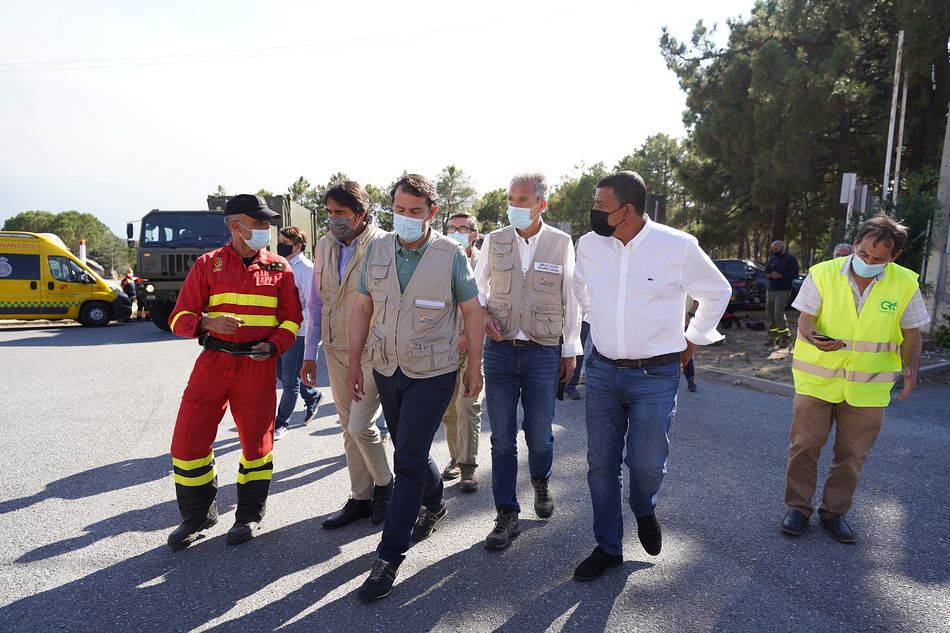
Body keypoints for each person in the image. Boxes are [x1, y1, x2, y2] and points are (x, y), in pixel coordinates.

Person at [572, 171, 730, 580]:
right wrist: (599, 319)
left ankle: (644, 508)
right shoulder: (589, 245)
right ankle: (608, 547)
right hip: (603, 370)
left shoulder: (677, 246)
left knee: (645, 465)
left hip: (657, 374)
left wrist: (693, 337)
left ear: (627, 210)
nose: (593, 211)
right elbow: (580, 290)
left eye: (600, 206)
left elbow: (718, 291)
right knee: (600, 465)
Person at [346, 174, 483, 602]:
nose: (406, 219)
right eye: (399, 210)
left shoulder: (450, 254)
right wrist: (355, 362)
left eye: (416, 212)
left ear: (432, 213)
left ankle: (388, 558)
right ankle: (436, 502)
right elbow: (364, 305)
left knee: (405, 460)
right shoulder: (378, 248)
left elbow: (473, 311)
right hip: (387, 367)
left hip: (434, 372)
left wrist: (475, 365)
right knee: (412, 448)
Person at [781, 212, 928, 544]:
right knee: (804, 446)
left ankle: (834, 513)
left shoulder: (905, 283)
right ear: (856, 243)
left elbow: (912, 333)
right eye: (864, 253)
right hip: (817, 380)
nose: (869, 261)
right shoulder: (823, 273)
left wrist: (912, 367)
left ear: (894, 257)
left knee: (852, 455)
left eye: (878, 258)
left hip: (868, 389)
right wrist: (813, 336)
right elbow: (805, 319)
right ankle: (797, 509)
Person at [165, 194, 302, 549]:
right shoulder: (207, 264)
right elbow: (178, 319)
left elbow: (291, 319)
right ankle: (197, 517)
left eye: (266, 223)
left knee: (257, 446)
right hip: (213, 363)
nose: (264, 229)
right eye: (257, 223)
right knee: (187, 442)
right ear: (234, 225)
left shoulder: (279, 268)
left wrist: (273, 345)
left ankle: (248, 515)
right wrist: (207, 321)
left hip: (257, 367)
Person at [474, 172, 582, 552]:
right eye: (511, 199)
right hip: (500, 348)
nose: (515, 206)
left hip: (542, 350)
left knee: (539, 434)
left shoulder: (560, 242)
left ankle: (541, 479)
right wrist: (483, 314)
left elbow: (572, 297)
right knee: (502, 439)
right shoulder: (495, 240)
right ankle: (506, 514)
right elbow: (477, 286)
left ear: (541, 204)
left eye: (522, 200)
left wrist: (570, 347)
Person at [300, 181, 394, 529]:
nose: (333, 219)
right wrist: (310, 352)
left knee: (361, 424)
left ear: (361, 215)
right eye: (328, 212)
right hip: (335, 348)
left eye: (340, 213)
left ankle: (386, 485)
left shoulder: (384, 245)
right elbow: (316, 303)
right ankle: (361, 497)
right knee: (346, 427)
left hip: (373, 350)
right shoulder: (324, 245)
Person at [441, 212, 484, 493]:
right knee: (448, 410)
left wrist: (467, 338)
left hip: (473, 346)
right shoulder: (439, 259)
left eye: (463, 228)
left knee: (467, 405)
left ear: (474, 234)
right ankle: (456, 458)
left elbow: (483, 305)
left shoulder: (485, 262)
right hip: (442, 347)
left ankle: (468, 467)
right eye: (451, 228)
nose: (457, 232)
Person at [273, 226, 321, 440]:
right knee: (280, 373)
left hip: (299, 332)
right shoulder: (279, 264)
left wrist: (297, 327)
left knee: (290, 382)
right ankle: (312, 395)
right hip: (279, 330)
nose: (280, 245)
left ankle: (281, 423)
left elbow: (312, 306)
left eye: (285, 241)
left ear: (298, 245)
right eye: (280, 240)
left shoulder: (306, 269)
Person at [763, 240, 800, 348]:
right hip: (771, 289)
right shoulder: (773, 259)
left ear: (782, 248)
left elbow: (794, 274)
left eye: (776, 250)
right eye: (773, 250)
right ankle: (772, 337)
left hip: (783, 290)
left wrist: (780, 275)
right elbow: (766, 271)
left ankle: (784, 338)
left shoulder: (790, 259)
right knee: (770, 314)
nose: (774, 251)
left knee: (778, 314)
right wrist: (769, 275)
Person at [564, 320, 591, 400]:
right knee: (557, 347)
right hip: (560, 315)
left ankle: (571, 384)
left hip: (583, 318)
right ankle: (557, 383)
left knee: (578, 349)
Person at [683, 296, 699, 392]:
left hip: (687, 321)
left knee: (688, 350)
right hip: (670, 322)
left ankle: (690, 379)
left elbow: (698, 301)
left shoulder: (691, 282)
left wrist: (690, 314)